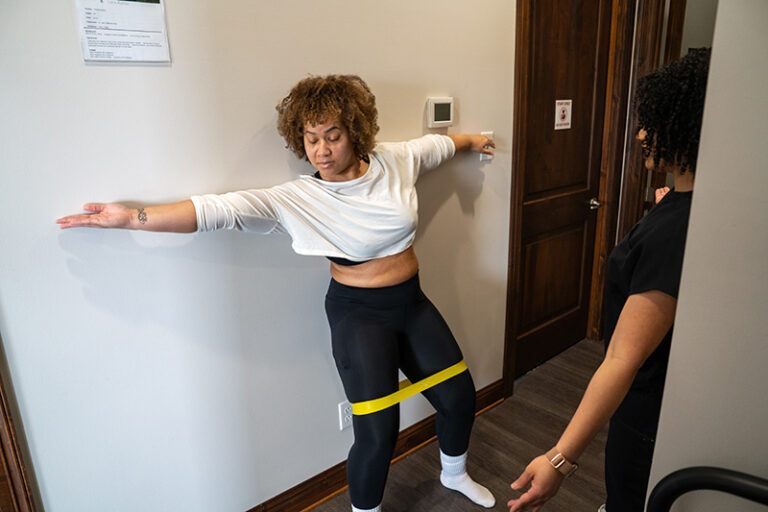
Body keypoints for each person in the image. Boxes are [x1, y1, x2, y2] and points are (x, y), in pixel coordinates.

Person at [57, 74, 497, 512]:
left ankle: (454, 473)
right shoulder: (300, 198)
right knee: (379, 432)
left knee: (458, 395)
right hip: (360, 316)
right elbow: (216, 210)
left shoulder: (395, 161)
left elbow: (439, 145)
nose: (321, 151)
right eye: (310, 139)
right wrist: (132, 217)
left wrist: (475, 140)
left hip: (412, 303)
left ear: (355, 132)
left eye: (333, 136)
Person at [507, 48, 711, 512]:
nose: (640, 134)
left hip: (647, 416)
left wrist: (558, 461)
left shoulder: (676, 231)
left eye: (651, 122)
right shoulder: (693, 206)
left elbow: (622, 357)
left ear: (686, 127)